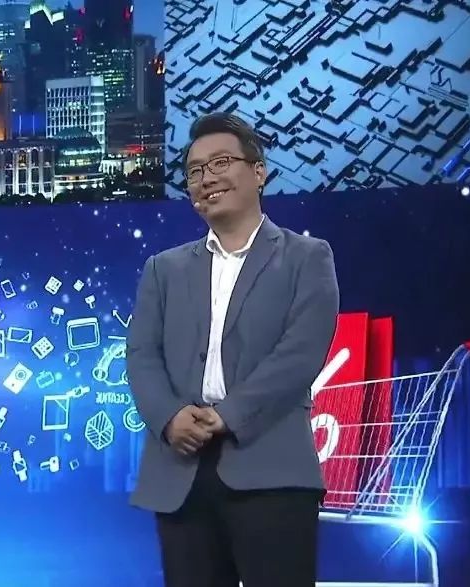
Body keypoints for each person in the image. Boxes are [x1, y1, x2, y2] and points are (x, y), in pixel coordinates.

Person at [126, 112, 340, 587]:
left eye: (220, 163)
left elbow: (301, 354)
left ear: (258, 171)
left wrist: (228, 415)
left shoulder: (307, 257)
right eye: (195, 171)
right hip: (180, 474)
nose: (206, 178)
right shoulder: (163, 269)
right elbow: (141, 355)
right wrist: (169, 418)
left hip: (272, 469)